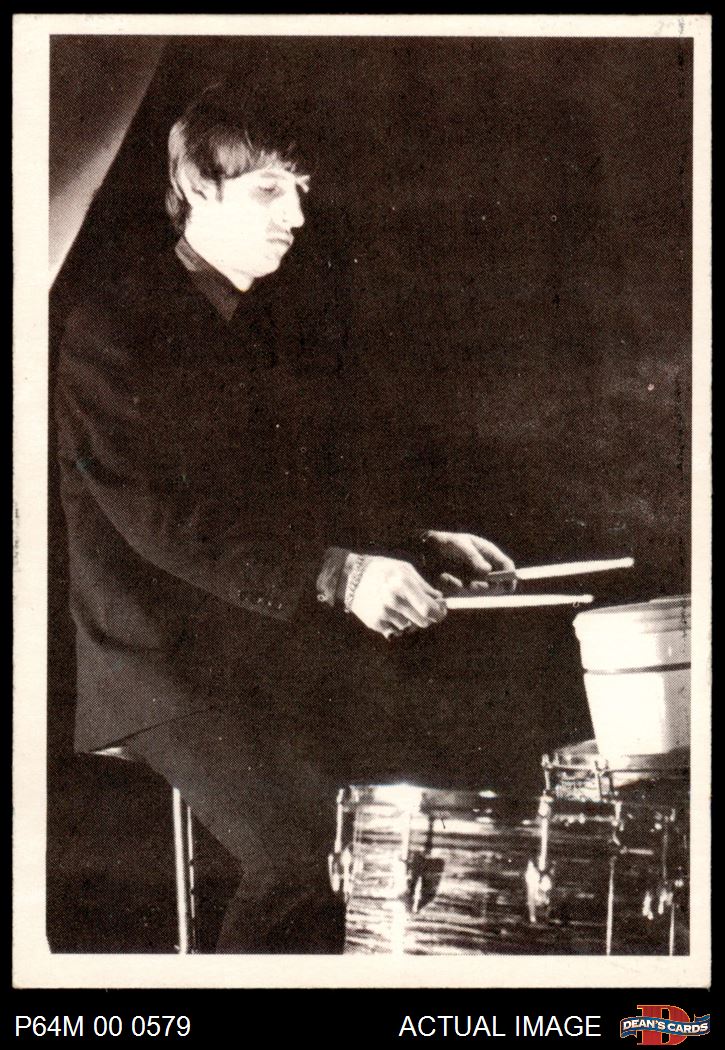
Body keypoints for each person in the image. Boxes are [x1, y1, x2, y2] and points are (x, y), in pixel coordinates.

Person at [55, 83, 515, 952]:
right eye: (269, 190)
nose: (296, 216)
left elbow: (294, 500)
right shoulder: (112, 325)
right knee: (307, 857)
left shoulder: (259, 323)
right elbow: (160, 517)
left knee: (404, 816)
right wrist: (343, 575)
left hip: (259, 647)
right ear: (196, 187)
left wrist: (418, 548)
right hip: (158, 659)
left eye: (299, 190)